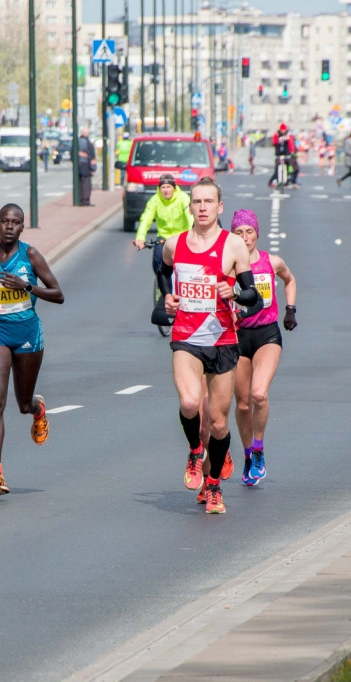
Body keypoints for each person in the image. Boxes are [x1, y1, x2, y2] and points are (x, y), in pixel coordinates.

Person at [157, 177, 259, 513]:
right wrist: (167, 300)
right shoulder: (175, 244)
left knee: (217, 422)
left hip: (223, 340)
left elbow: (253, 297)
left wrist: (236, 294)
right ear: (190, 206)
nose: (202, 208)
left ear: (219, 207)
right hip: (186, 338)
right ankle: (193, 451)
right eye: (196, 202)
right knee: (189, 402)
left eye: (208, 202)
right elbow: (162, 271)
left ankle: (213, 484)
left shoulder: (233, 246)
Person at [0, 204, 64, 495]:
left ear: (22, 228)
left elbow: (58, 294)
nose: (9, 226)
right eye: (5, 221)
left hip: (27, 334)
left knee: (22, 404)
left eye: (15, 222)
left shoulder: (30, 255)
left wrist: (26, 287)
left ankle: (38, 409)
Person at [229, 210, 297, 486]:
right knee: (243, 404)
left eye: (249, 232)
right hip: (237, 338)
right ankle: (247, 455)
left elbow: (290, 280)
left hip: (267, 335)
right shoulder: (229, 266)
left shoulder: (272, 262)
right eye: (239, 233)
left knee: (259, 394)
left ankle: (258, 449)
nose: (245, 238)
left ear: (257, 233)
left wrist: (290, 309)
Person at [133, 172, 192, 274]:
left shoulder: (183, 198)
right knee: (158, 259)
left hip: (182, 237)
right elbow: (146, 219)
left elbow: (190, 217)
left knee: (186, 264)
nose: (166, 190)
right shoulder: (154, 200)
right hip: (163, 237)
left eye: (168, 187)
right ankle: (162, 286)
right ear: (159, 189)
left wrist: (193, 234)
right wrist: (140, 238)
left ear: (174, 187)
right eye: (163, 187)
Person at [268, 123, 296, 188]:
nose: (283, 131)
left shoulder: (289, 135)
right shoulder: (277, 134)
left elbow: (291, 144)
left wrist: (292, 152)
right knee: (277, 168)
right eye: (282, 130)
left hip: (287, 154)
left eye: (284, 130)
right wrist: (279, 140)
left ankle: (289, 179)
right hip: (278, 154)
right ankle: (276, 181)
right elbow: (274, 143)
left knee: (289, 166)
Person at [77, 128, 96, 206]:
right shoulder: (88, 143)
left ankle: (80, 200)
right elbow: (92, 156)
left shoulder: (77, 142)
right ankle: (86, 201)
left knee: (79, 183)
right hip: (86, 166)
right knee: (86, 184)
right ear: (87, 134)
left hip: (78, 166)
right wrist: (93, 168)